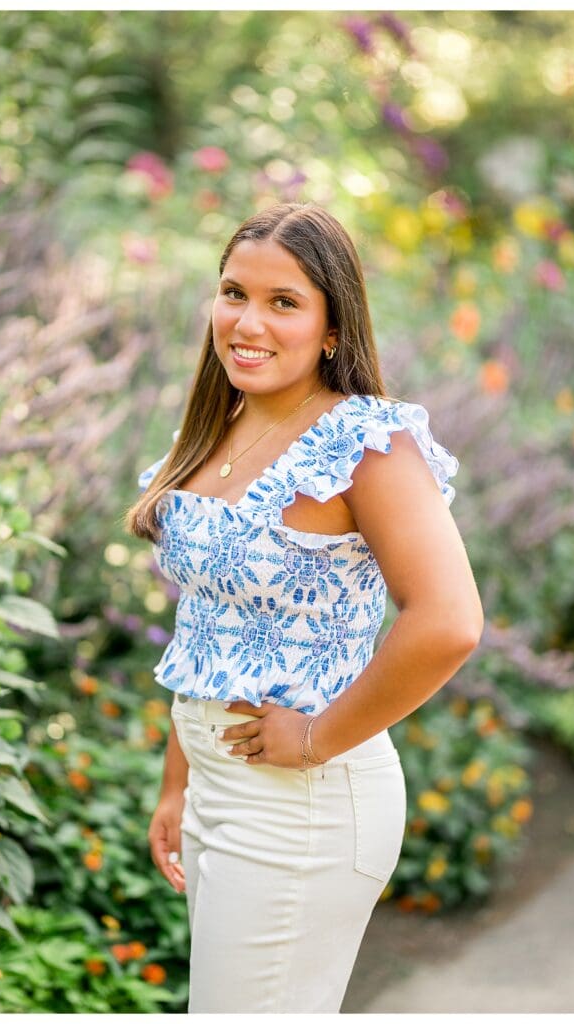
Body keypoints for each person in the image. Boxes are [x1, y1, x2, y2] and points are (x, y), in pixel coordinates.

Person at [126, 202, 483, 1013]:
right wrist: (179, 780)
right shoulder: (221, 430)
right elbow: (209, 623)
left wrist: (319, 736)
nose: (247, 322)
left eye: (283, 302)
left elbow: (449, 620)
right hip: (220, 790)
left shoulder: (367, 445)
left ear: (332, 327)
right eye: (233, 293)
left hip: (304, 807)